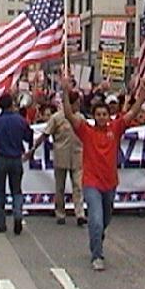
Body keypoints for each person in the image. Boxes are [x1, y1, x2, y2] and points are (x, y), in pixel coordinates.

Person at [62, 76, 145, 271]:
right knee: (95, 218)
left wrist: (143, 95)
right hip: (91, 182)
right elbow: (68, 114)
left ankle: (97, 237)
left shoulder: (116, 128)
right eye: (98, 114)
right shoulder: (86, 131)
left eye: (104, 114)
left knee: (105, 219)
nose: (102, 117)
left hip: (110, 183)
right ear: (94, 116)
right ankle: (97, 255)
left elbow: (133, 112)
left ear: (108, 116)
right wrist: (65, 92)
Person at [27, 91, 87, 226]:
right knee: (60, 187)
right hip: (61, 155)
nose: (78, 106)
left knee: (78, 186)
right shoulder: (57, 118)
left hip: (77, 155)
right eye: (76, 103)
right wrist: (33, 149)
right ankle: (60, 212)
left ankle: (80, 214)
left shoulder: (80, 118)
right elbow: (45, 134)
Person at [0, 93, 34, 235]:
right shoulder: (20, 121)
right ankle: (18, 214)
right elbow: (28, 136)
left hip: (0, 158)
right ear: (12, 104)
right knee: (16, 190)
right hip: (16, 158)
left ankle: (1, 223)